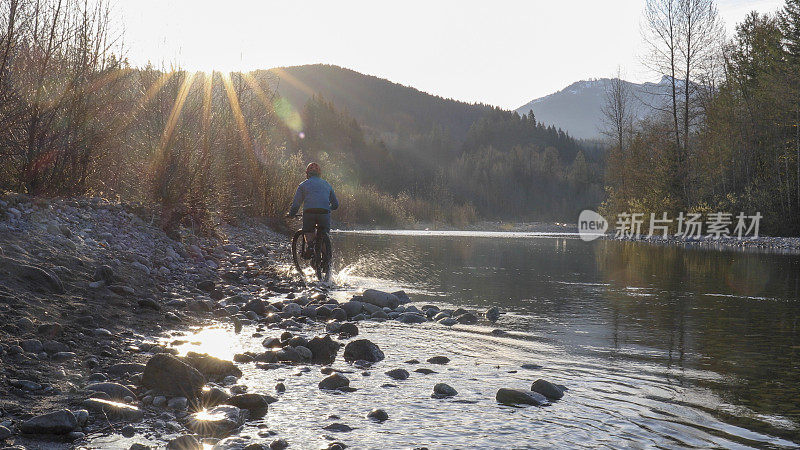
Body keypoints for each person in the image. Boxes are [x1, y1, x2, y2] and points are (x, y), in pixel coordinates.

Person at [287, 162, 339, 258]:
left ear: (307, 174)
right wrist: (328, 208)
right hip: (324, 214)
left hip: (309, 212)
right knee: (324, 235)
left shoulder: (303, 185)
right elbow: (336, 205)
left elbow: (296, 205)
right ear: (320, 174)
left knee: (308, 230)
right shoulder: (327, 185)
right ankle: (326, 260)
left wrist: (291, 214)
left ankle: (310, 247)